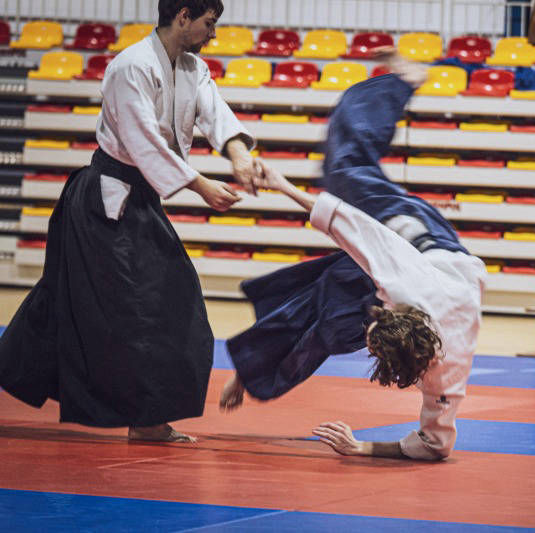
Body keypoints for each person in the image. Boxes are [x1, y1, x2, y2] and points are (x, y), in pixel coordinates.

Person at [0, 0, 264, 442]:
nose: (213, 34)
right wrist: (200, 185)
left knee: (80, 299)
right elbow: (143, 141)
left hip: (136, 199)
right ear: (183, 16)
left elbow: (215, 111)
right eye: (209, 23)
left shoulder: (190, 67)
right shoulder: (131, 67)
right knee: (130, 308)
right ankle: (147, 420)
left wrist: (239, 155)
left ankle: (145, 417)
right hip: (104, 199)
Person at [220, 50, 487, 461]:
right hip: (416, 235)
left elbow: (435, 446)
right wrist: (282, 184)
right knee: (346, 170)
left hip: (437, 277)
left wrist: (362, 446)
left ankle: (254, 368)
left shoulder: (444, 376)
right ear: (387, 307)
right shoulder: (403, 281)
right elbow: (345, 223)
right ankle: (401, 82)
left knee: (332, 318)